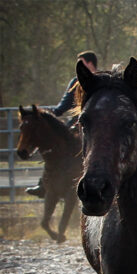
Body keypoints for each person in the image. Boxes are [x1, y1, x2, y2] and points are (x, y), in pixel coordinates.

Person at [25, 51, 97, 198]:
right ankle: (44, 184)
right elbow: (62, 107)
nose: (79, 67)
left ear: (90, 64)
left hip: (93, 125)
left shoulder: (99, 80)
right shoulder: (75, 82)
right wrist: (45, 115)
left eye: (81, 63)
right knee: (53, 145)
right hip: (74, 127)